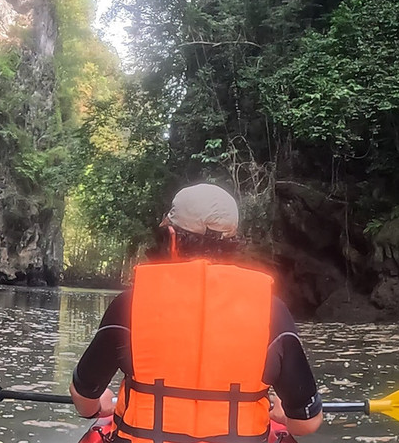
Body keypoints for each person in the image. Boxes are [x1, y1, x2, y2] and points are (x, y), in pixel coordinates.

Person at [69, 183, 324, 442]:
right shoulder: (272, 310)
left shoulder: (130, 305)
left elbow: (83, 401)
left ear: (172, 237)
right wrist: (282, 414)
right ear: (235, 243)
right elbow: (307, 422)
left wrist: (100, 404)